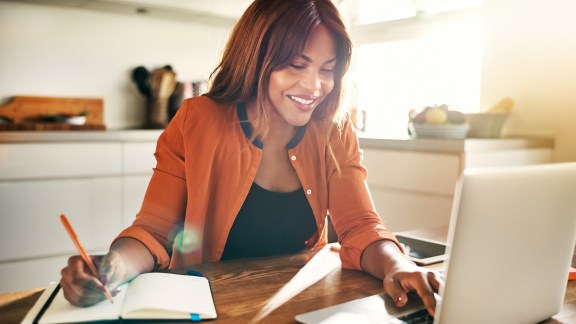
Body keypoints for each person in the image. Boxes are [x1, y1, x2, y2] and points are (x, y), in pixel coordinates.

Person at [60, 0, 442, 317]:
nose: (315, 86)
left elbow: (360, 225)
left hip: (302, 306)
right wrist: (112, 269)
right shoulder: (197, 121)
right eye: (297, 65)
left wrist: (399, 265)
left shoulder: (334, 128)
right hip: (206, 308)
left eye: (327, 70)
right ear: (257, 57)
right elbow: (154, 232)